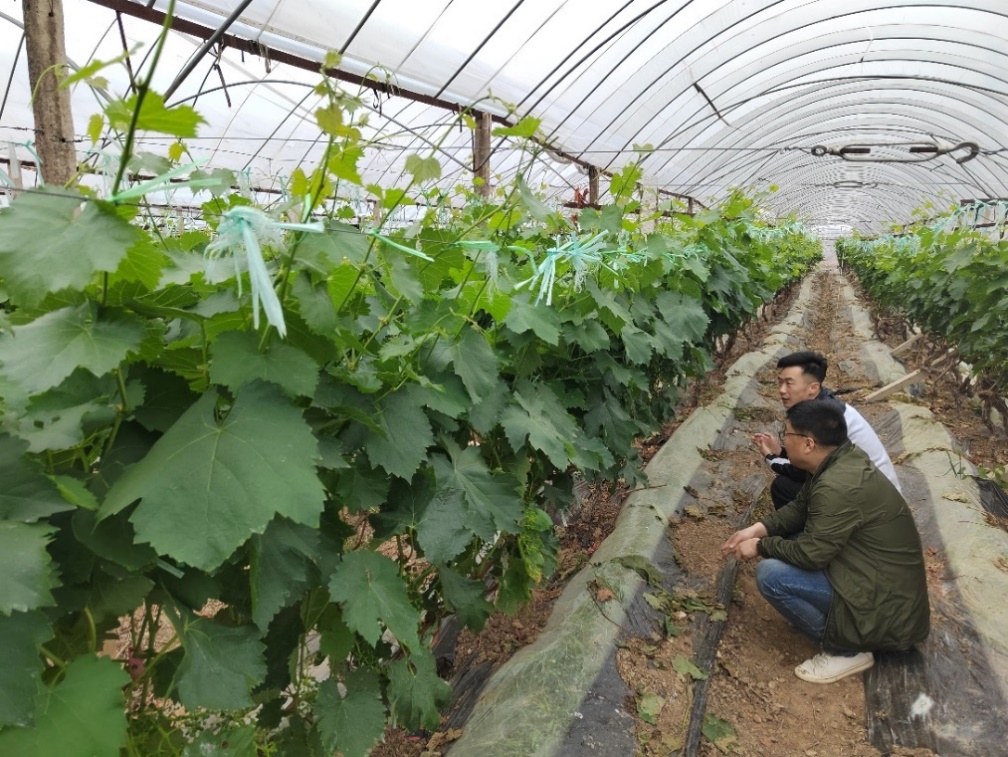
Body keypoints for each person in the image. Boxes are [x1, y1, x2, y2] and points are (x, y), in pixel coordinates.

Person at [721, 399, 930, 683]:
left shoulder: (836, 486)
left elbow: (811, 555)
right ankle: (841, 625)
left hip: (889, 612)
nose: (784, 442)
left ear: (808, 443)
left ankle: (846, 650)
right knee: (793, 542)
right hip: (879, 582)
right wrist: (758, 529)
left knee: (771, 575)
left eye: (786, 434)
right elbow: (801, 507)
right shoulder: (841, 460)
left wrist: (759, 546)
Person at [753, 351, 900, 508]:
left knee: (783, 488)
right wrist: (780, 453)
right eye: (780, 382)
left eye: (789, 383)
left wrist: (771, 457)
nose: (782, 390)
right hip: (869, 488)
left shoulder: (823, 419)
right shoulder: (823, 405)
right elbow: (809, 462)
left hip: (873, 501)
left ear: (813, 387)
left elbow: (802, 472)